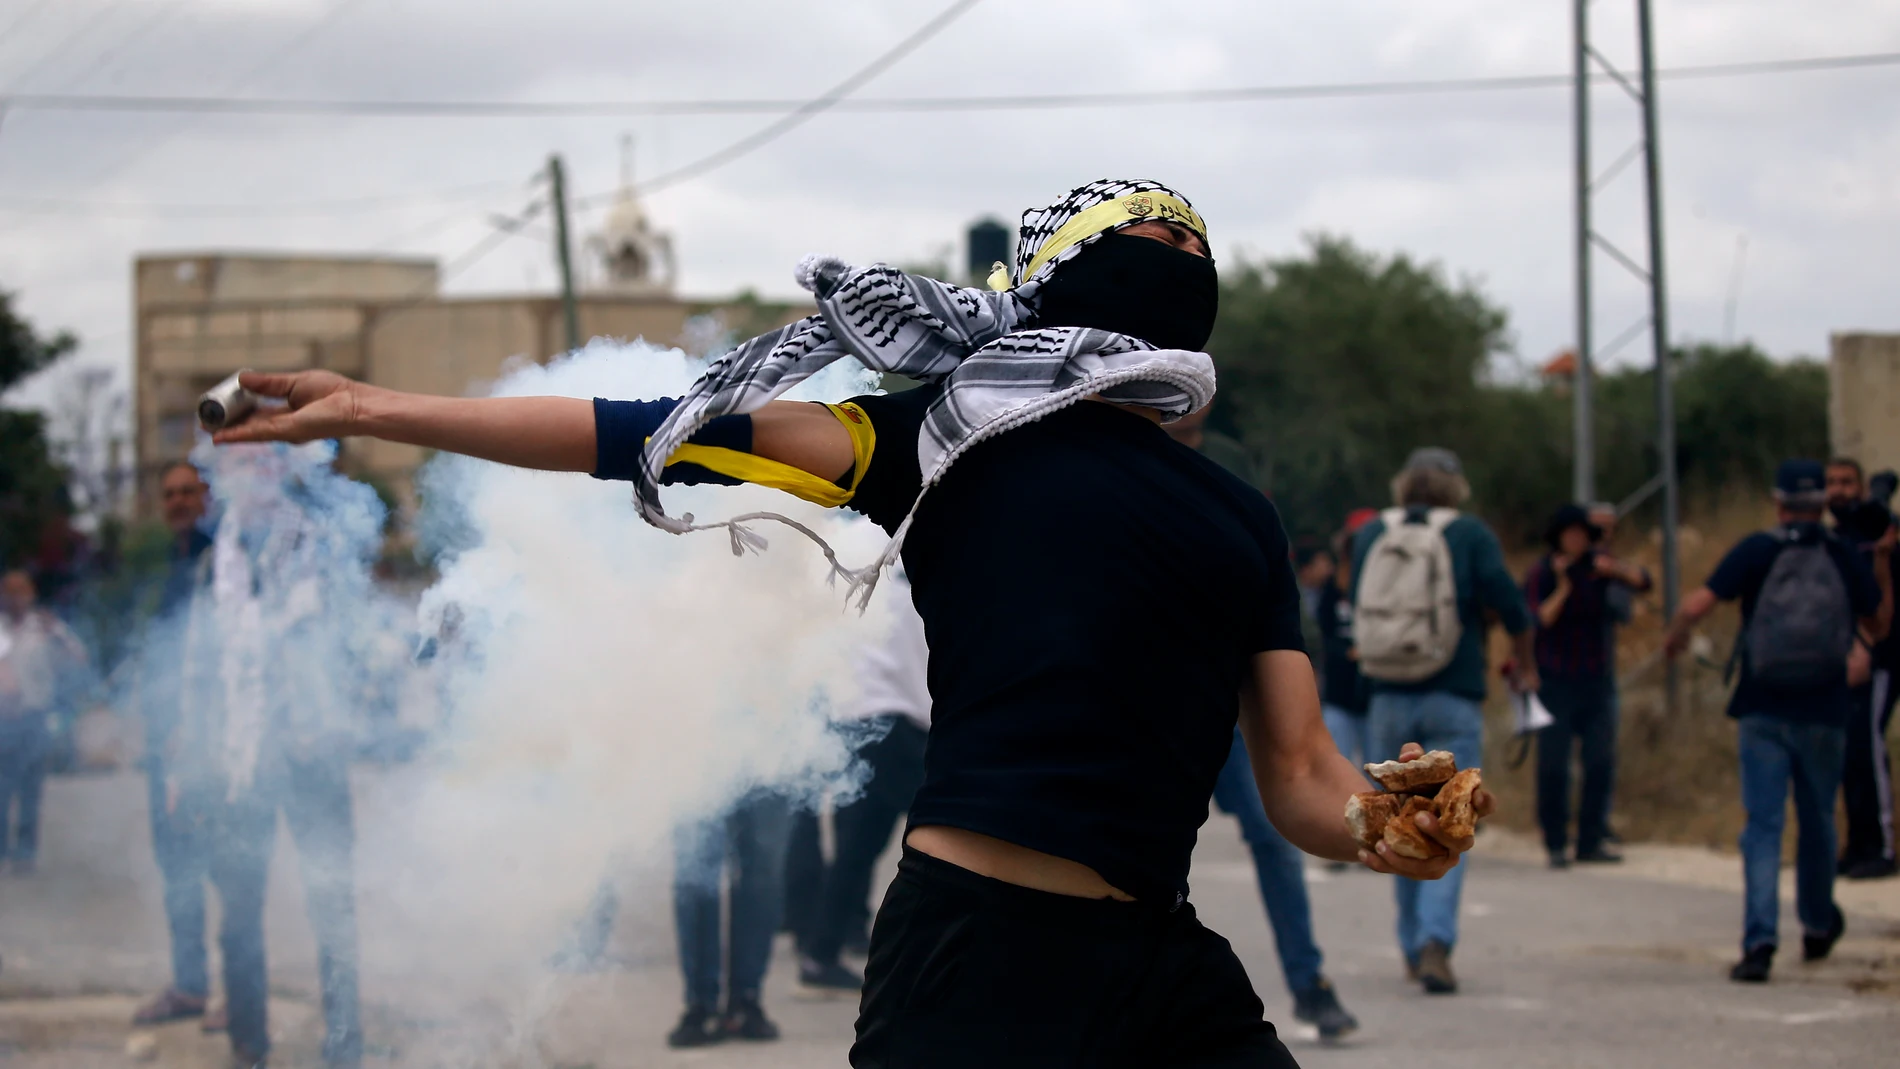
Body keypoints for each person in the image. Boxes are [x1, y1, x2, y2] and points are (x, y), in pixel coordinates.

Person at [213, 178, 1490, 1069]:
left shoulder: (1240, 520)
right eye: (1150, 229)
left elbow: (1305, 777)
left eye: (1186, 233)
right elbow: (640, 435)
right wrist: (372, 407)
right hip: (975, 955)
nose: (1174, 241)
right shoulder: (947, 442)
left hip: (1155, 959)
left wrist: (1390, 828)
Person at [1161, 408, 1360, 1042]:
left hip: (1238, 692)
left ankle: (1310, 985)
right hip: (1161, 698)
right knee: (1155, 847)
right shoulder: (1130, 451)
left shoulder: (1230, 460)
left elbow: (1262, 576)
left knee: (1277, 838)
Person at [168, 446, 368, 1067]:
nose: (251, 478)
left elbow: (352, 643)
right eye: (238, 467)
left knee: (332, 908)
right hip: (238, 763)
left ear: (282, 472)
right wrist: (185, 763)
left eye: (263, 465)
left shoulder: (321, 544)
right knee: (237, 922)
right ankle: (248, 1049)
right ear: (222, 479)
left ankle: (344, 1047)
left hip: (312, 755)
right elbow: (198, 668)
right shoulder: (212, 562)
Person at [1664, 459, 1889, 983]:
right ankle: (1815, 924)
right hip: (1827, 708)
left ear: (1779, 500)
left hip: (1762, 707)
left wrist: (1675, 636)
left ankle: (1759, 943)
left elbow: (1699, 603)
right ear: (1822, 504)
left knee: (1762, 827)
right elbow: (1877, 621)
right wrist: (1878, 560)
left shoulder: (1759, 548)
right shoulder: (1838, 551)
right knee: (1817, 822)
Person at [1350, 448, 1535, 995]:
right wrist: (1524, 661)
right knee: (1452, 820)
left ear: (1403, 484)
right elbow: (1511, 603)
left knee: (1395, 820)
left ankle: (1411, 947)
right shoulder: (1470, 534)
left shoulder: (1369, 535)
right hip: (1452, 693)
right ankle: (1436, 940)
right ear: (1457, 488)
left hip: (1385, 694)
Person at [797, 579, 931, 996]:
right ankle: (919, 954)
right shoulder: (912, 601)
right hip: (897, 729)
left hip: (856, 725)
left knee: (856, 850)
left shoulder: (862, 591)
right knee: (942, 841)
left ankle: (821, 951)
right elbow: (920, 679)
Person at [131, 462, 222, 1028]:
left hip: (212, 743)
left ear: (206, 496)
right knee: (178, 867)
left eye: (188, 490)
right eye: (170, 494)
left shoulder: (222, 560)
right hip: (167, 746)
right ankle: (190, 985)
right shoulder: (168, 565)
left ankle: (240, 992)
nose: (179, 500)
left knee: (228, 867)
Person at [1523, 504, 1649, 868]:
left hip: (1597, 679)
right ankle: (1556, 842)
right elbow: (1538, 618)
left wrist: (1615, 570)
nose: (1577, 540)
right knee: (1553, 767)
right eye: (1571, 533)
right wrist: (1563, 586)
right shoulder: (1542, 571)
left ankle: (1591, 839)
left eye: (1583, 534)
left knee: (1600, 762)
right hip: (1554, 680)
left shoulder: (1601, 568)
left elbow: (1644, 581)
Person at [667, 791, 794, 1047]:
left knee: (764, 872)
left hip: (767, 760)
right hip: (693, 757)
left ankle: (746, 999)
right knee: (695, 869)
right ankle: (700, 1003)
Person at [1825, 457, 1900, 880]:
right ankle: (1858, 845)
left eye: (1847, 482)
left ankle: (1884, 847)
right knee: (1850, 753)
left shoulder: (1881, 531)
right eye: (1831, 483)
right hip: (1848, 658)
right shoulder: (1835, 539)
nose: (1839, 490)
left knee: (1868, 748)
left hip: (1884, 657)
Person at [0, 569, 86, 873]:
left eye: (20, 592)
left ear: (31, 595)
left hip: (35, 716)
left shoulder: (44, 628)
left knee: (31, 788)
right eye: (9, 592)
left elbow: (78, 658)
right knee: (2, 787)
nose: (14, 599)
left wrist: (58, 636)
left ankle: (25, 852)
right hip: (3, 720)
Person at [1318, 512, 1378, 768]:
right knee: (1336, 767)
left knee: (1377, 774)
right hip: (1338, 693)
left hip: (1374, 695)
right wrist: (1345, 652)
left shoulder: (1383, 581)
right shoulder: (1333, 585)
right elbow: (1322, 633)